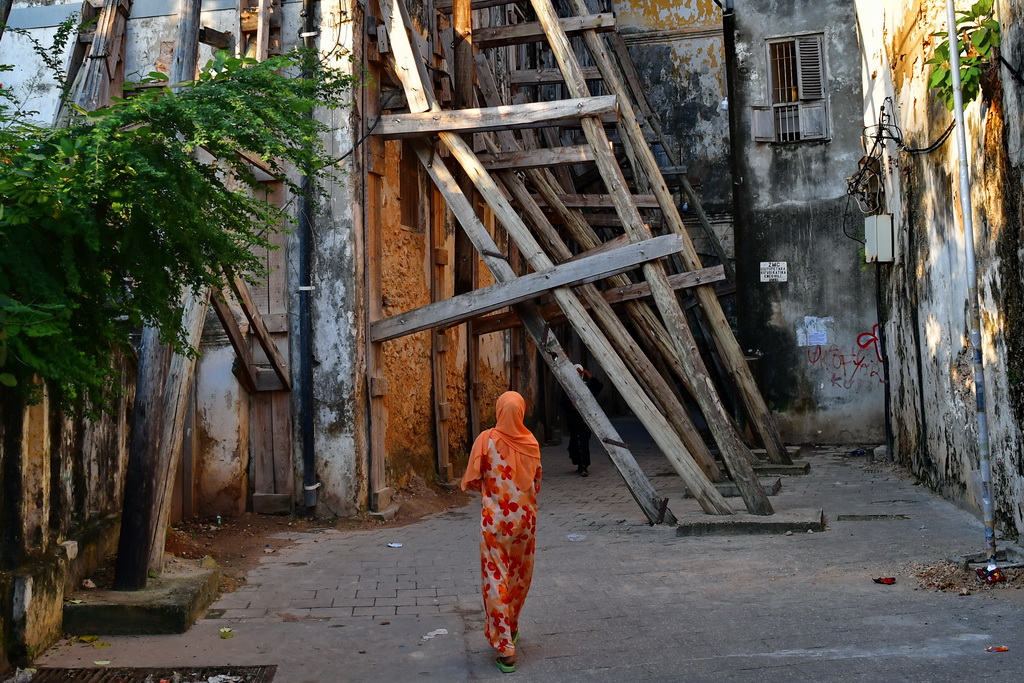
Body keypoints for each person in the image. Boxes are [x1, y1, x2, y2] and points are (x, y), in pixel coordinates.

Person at [461, 391, 542, 674]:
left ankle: (505, 647)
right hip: (524, 524)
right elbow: (537, 482)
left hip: (495, 523)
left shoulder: (486, 440)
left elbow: (473, 480)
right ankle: (512, 625)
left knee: (495, 578)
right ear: (520, 412)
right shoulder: (531, 442)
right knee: (520, 576)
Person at [560, 364, 603, 477]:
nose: (577, 374)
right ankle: (580, 465)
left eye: (579, 372)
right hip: (574, 419)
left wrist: (589, 375)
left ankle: (584, 466)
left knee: (583, 442)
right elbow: (562, 402)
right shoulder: (568, 386)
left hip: (585, 420)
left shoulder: (586, 386)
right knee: (575, 443)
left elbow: (598, 386)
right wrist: (571, 407)